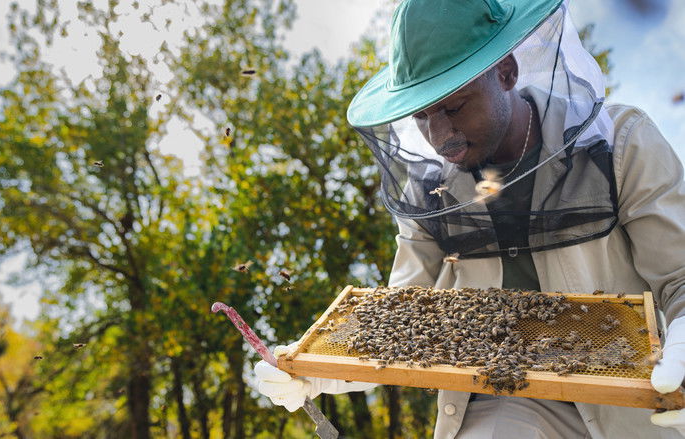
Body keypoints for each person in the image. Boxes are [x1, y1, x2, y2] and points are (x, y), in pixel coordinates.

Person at [253, 0, 685, 437]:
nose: (440, 137)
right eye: (422, 115)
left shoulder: (622, 142)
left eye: (455, 107)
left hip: (630, 411)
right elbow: (400, 320)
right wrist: (314, 370)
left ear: (506, 73)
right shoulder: (430, 194)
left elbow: (680, 276)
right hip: (504, 407)